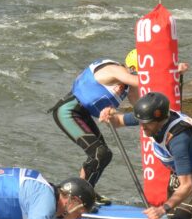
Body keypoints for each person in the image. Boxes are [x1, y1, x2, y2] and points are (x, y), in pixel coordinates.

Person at [50, 53, 145, 188]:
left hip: (82, 114)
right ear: (134, 68)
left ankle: (87, 189)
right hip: (67, 111)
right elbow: (141, 81)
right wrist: (166, 75)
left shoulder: (129, 85)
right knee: (99, 153)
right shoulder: (116, 70)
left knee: (105, 155)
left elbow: (140, 107)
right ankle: (81, 192)